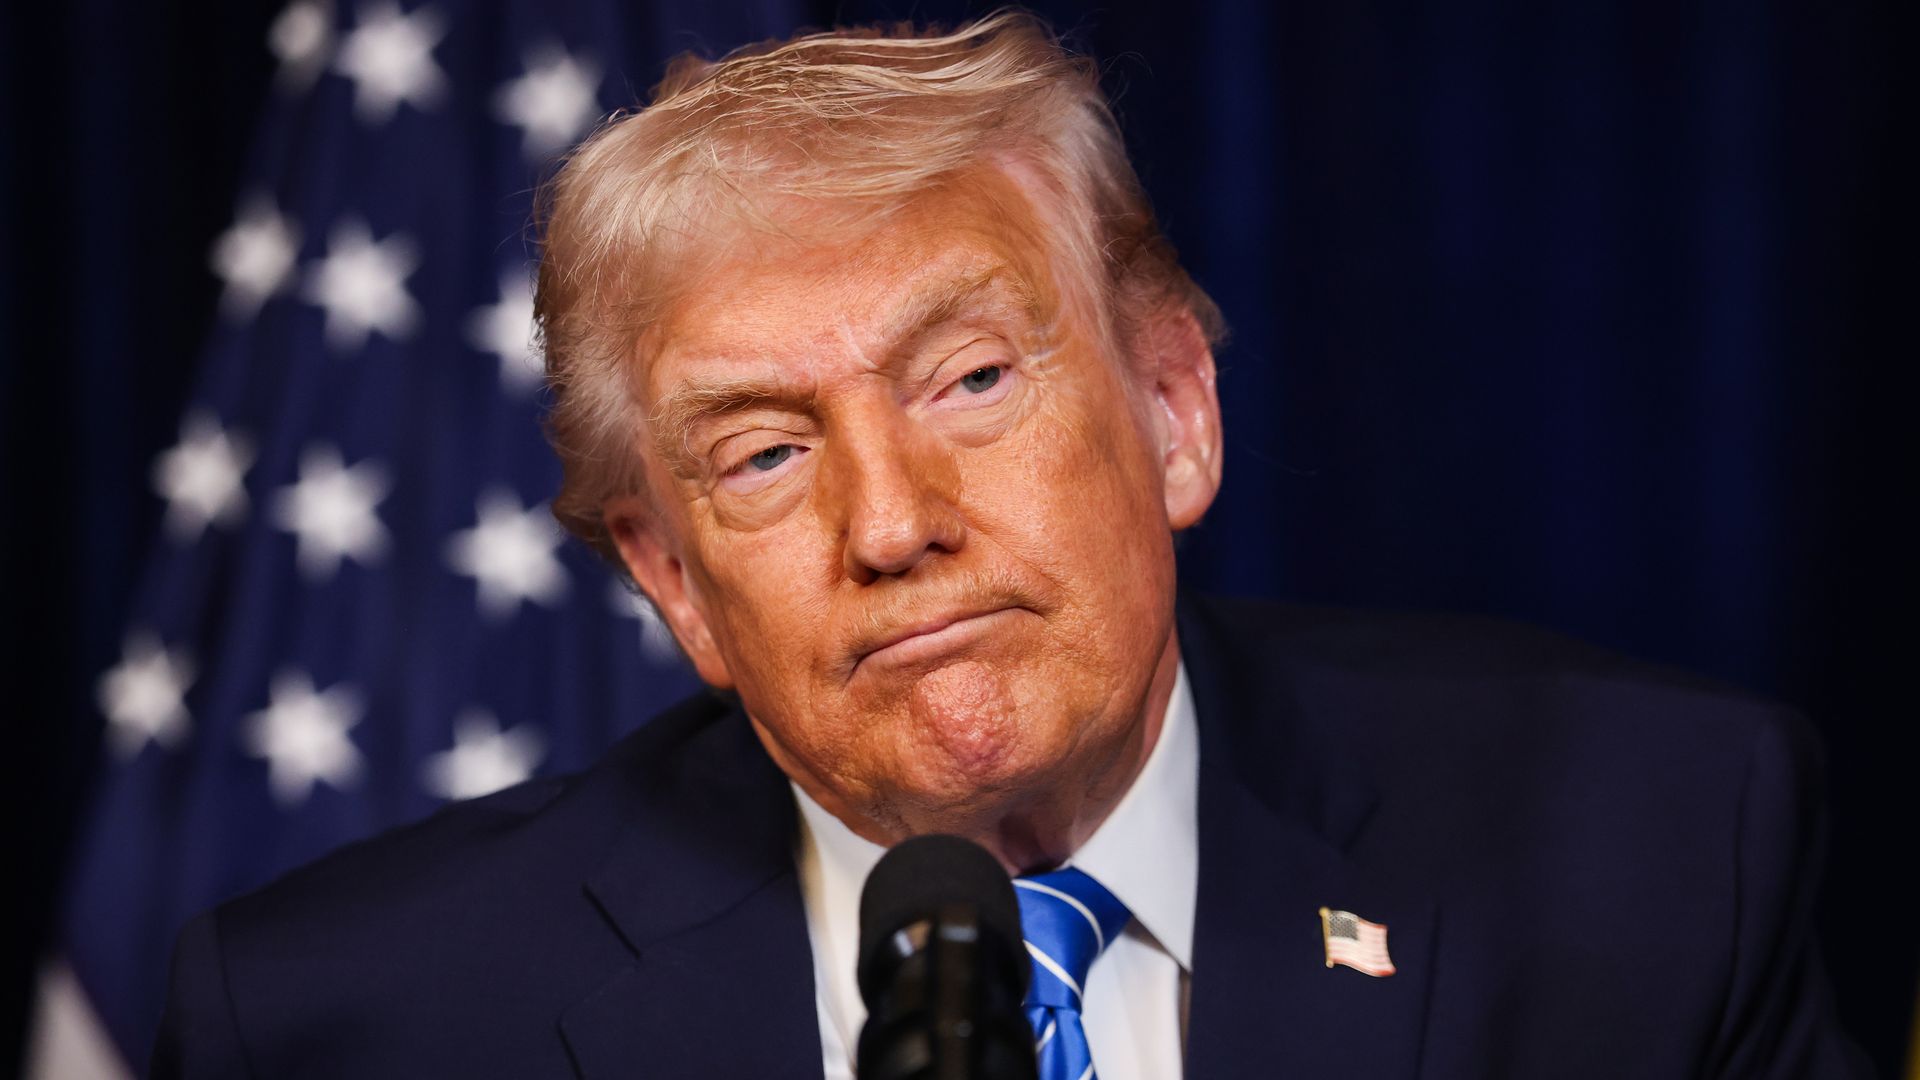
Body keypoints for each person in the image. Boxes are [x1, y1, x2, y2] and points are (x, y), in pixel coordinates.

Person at [153, 13, 1869, 1079]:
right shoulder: (349, 1022)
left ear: (1175, 408)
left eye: (972, 379)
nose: (890, 523)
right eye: (760, 452)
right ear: (671, 578)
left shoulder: (1646, 860)